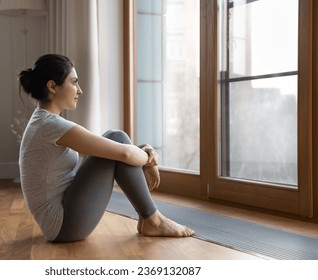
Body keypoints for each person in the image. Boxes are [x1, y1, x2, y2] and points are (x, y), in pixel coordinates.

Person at [18, 54, 195, 242]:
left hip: (62, 218)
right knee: (116, 138)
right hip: (63, 225)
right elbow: (124, 153)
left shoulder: (44, 122)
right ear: (52, 86)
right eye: (74, 82)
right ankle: (153, 219)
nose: (80, 90)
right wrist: (150, 160)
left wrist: (142, 151)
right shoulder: (51, 125)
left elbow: (110, 150)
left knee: (116, 141)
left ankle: (150, 219)